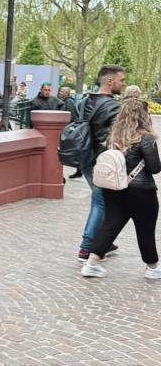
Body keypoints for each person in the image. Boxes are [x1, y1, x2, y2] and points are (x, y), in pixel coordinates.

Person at [82, 97, 161, 279]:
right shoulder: (146, 138)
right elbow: (154, 168)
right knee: (145, 230)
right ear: (143, 116)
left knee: (110, 225)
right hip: (141, 191)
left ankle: (91, 263)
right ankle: (152, 267)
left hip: (114, 189)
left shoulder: (113, 137)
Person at [78, 64, 126, 261]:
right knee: (101, 204)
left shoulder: (84, 101)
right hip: (102, 161)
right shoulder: (113, 106)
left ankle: (104, 242)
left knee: (103, 202)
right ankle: (87, 248)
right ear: (109, 81)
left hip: (84, 158)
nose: (123, 84)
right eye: (121, 80)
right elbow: (114, 137)